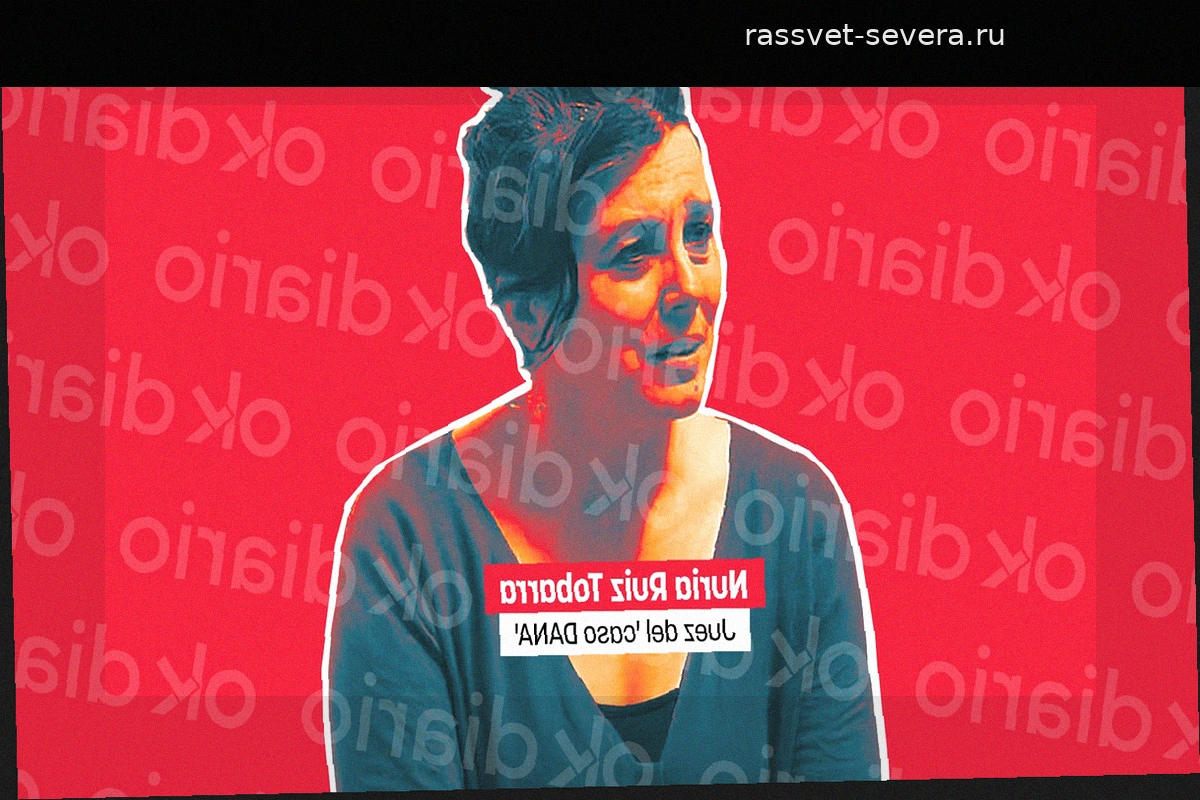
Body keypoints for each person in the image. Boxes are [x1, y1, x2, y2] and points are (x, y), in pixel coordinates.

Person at [323, 87, 887, 789]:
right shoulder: (411, 535)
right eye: (633, 254)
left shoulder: (794, 511)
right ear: (529, 310)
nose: (689, 286)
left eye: (699, 232)